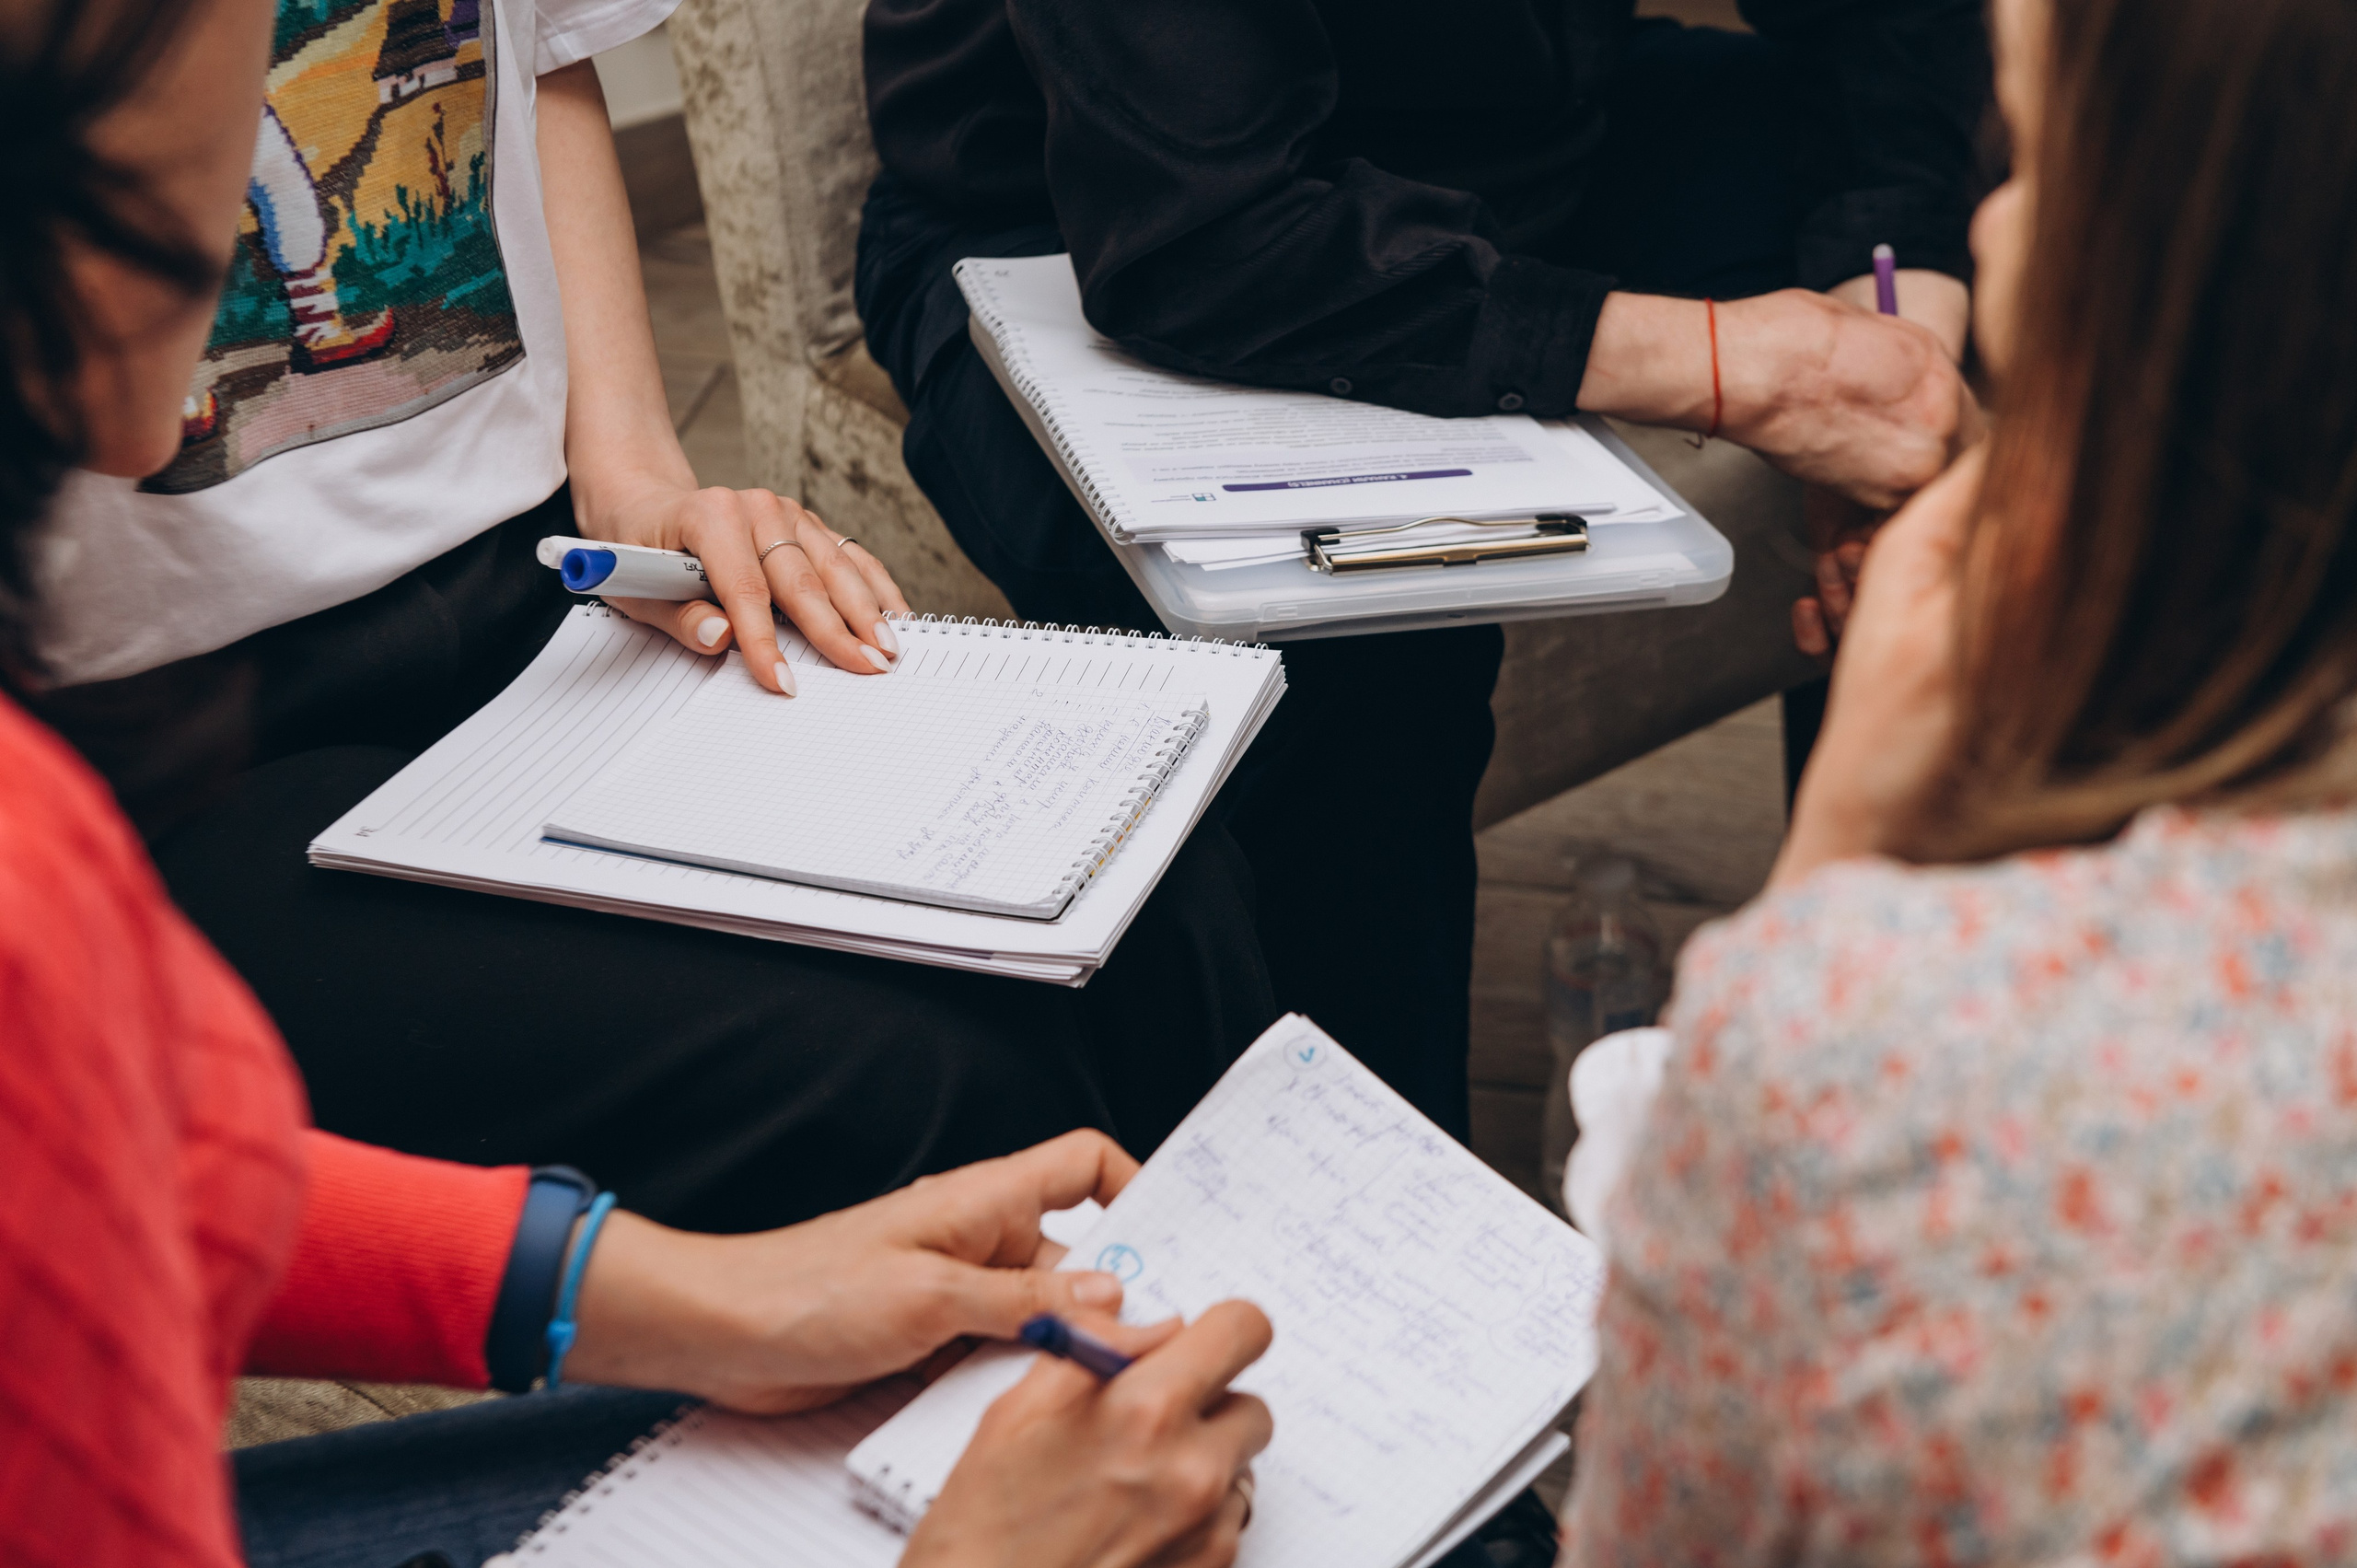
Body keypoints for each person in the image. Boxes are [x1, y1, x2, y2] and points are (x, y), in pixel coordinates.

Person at [4, 11, 1271, 1567]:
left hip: (523, 592)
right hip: (159, 744)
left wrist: (699, 1299)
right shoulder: (41, 882)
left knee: (1144, 878)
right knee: (923, 1082)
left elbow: (163, 1172)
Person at [854, 0, 1990, 1134]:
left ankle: (1922, 1059)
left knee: (1997, 301)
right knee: (1360, 628)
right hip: (1083, 212)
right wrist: (1743, 371)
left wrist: (1894, 339)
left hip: (1522, 140)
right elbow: (1198, 232)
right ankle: (1358, 1222)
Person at [1559, 0, 2357, 1556]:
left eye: (2037, 160)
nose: (1991, 219)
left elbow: (1659, 1527)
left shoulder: (1866, 1053)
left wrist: (1840, 858)